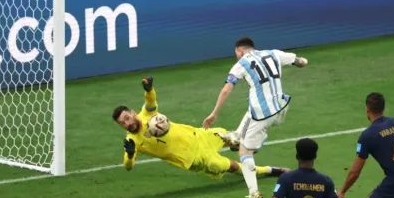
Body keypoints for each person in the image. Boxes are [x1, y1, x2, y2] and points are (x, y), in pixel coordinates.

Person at [113, 76, 288, 184]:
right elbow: (128, 166)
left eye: (127, 118)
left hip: (199, 136)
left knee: (232, 137)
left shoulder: (146, 115)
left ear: (133, 113)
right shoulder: (132, 141)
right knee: (231, 166)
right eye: (123, 123)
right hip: (195, 158)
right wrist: (129, 155)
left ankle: (251, 144)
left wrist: (149, 89)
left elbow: (150, 101)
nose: (127, 123)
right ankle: (270, 170)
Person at [203, 37, 309, 198]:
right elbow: (300, 62)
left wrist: (214, 113)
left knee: (245, 151)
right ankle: (237, 135)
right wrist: (302, 61)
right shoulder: (273, 53)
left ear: (239, 50)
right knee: (252, 107)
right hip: (281, 108)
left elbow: (226, 89)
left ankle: (253, 192)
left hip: (263, 115)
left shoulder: (242, 63)